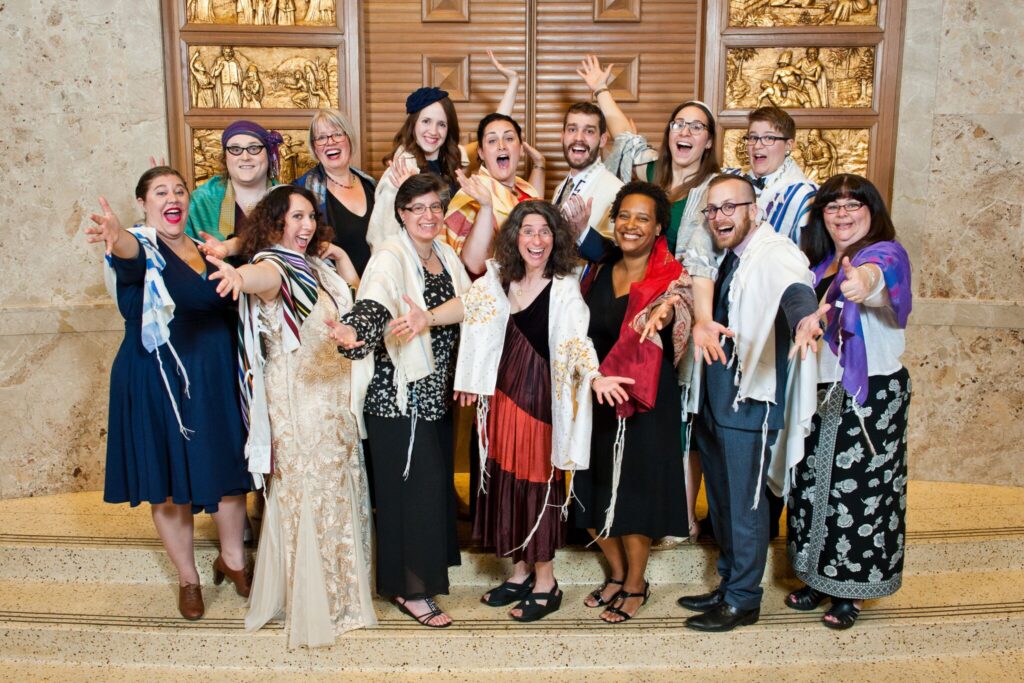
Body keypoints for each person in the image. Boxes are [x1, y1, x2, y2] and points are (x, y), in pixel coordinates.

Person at [203, 185, 371, 646]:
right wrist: (240, 279)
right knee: (307, 493)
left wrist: (340, 259)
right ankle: (315, 601)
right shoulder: (274, 265)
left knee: (336, 491)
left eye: (311, 217)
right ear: (275, 223)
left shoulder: (316, 264)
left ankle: (344, 596)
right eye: (296, 217)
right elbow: (263, 279)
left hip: (333, 396)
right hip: (298, 400)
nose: (306, 225)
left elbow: (353, 301)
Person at [454, 200, 633, 622]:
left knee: (537, 485)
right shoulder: (499, 278)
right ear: (515, 236)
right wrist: (425, 317)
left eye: (545, 231)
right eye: (528, 230)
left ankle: (546, 582)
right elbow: (467, 306)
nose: (537, 239)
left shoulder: (564, 286)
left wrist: (594, 377)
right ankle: (519, 572)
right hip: (501, 396)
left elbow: (576, 342)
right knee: (503, 481)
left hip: (539, 400)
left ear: (557, 238)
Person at [84, 167, 251, 621]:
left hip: (215, 379)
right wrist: (116, 234)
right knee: (170, 485)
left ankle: (233, 561)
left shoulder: (207, 249)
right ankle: (187, 578)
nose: (172, 197)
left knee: (228, 470)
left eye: (179, 190)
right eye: (160, 192)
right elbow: (128, 254)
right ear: (143, 203)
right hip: (158, 382)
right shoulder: (142, 245)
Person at [578, 55, 723, 547]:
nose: (685, 132)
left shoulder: (711, 190)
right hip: (627, 296)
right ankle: (633, 509)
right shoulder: (651, 172)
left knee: (681, 409)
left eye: (696, 127)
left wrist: (685, 308)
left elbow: (705, 263)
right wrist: (601, 92)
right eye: (679, 124)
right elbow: (626, 139)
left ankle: (676, 515)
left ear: (708, 139)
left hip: (681, 300)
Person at [678, 174, 826, 632]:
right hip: (717, 396)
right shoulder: (727, 257)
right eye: (713, 209)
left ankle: (744, 599)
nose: (720, 216)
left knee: (745, 505)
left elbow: (795, 289)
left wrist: (805, 321)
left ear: (753, 209)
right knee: (721, 501)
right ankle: (727, 584)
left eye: (731, 207)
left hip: (751, 400)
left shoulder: (775, 252)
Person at [327, 174, 472, 628]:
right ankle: (411, 590)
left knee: (430, 492)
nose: (428, 216)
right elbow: (371, 306)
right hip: (398, 398)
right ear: (401, 214)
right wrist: (353, 334)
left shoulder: (445, 254)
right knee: (410, 495)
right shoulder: (390, 257)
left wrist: (429, 317)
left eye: (435, 207)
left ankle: (417, 581)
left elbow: (472, 304)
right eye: (417, 209)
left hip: (435, 395)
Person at [786, 174, 912, 630]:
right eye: (832, 207)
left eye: (852, 205)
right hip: (820, 391)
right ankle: (819, 576)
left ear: (871, 211)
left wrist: (859, 283)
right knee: (814, 485)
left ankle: (849, 591)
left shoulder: (883, 254)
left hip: (870, 393)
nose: (842, 215)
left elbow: (877, 282)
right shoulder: (819, 264)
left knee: (860, 493)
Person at [574, 181, 694, 624]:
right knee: (588, 491)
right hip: (598, 394)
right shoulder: (600, 269)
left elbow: (681, 306)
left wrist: (666, 312)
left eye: (642, 218)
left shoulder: (669, 275)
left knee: (634, 496)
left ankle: (636, 583)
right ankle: (618, 572)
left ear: (659, 226)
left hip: (645, 402)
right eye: (624, 215)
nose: (630, 225)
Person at [367, 49, 521, 250]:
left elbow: (493, 134)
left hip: (455, 261)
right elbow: (381, 238)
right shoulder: (400, 172)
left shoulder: (454, 158)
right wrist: (408, 191)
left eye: (441, 124)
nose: (433, 131)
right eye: (426, 121)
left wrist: (513, 83)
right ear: (413, 124)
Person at [444, 113, 546, 274]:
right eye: (492, 140)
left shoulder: (524, 188)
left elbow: (535, 211)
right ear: (481, 153)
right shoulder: (473, 192)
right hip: (490, 292)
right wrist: (486, 207)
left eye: (509, 139)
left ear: (520, 148)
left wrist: (540, 165)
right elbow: (474, 265)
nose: (501, 145)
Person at [294, 108, 377, 276]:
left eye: (337, 134)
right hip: (335, 292)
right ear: (314, 147)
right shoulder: (303, 190)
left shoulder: (371, 185)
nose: (330, 142)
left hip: (378, 288)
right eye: (321, 138)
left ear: (349, 139)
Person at [186, 120, 283, 256]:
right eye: (236, 149)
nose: (245, 157)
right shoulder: (201, 201)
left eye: (254, 148)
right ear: (225, 157)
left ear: (268, 154)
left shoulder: (288, 198)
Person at [742, 106, 817, 244]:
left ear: (788, 145)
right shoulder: (734, 182)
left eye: (769, 138)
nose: (758, 145)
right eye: (753, 137)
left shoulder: (803, 195)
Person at [550, 102, 623, 241]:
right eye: (572, 130)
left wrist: (583, 231)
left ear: (602, 140)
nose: (578, 138)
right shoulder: (560, 188)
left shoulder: (617, 191)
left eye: (589, 131)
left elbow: (615, 256)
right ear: (562, 136)